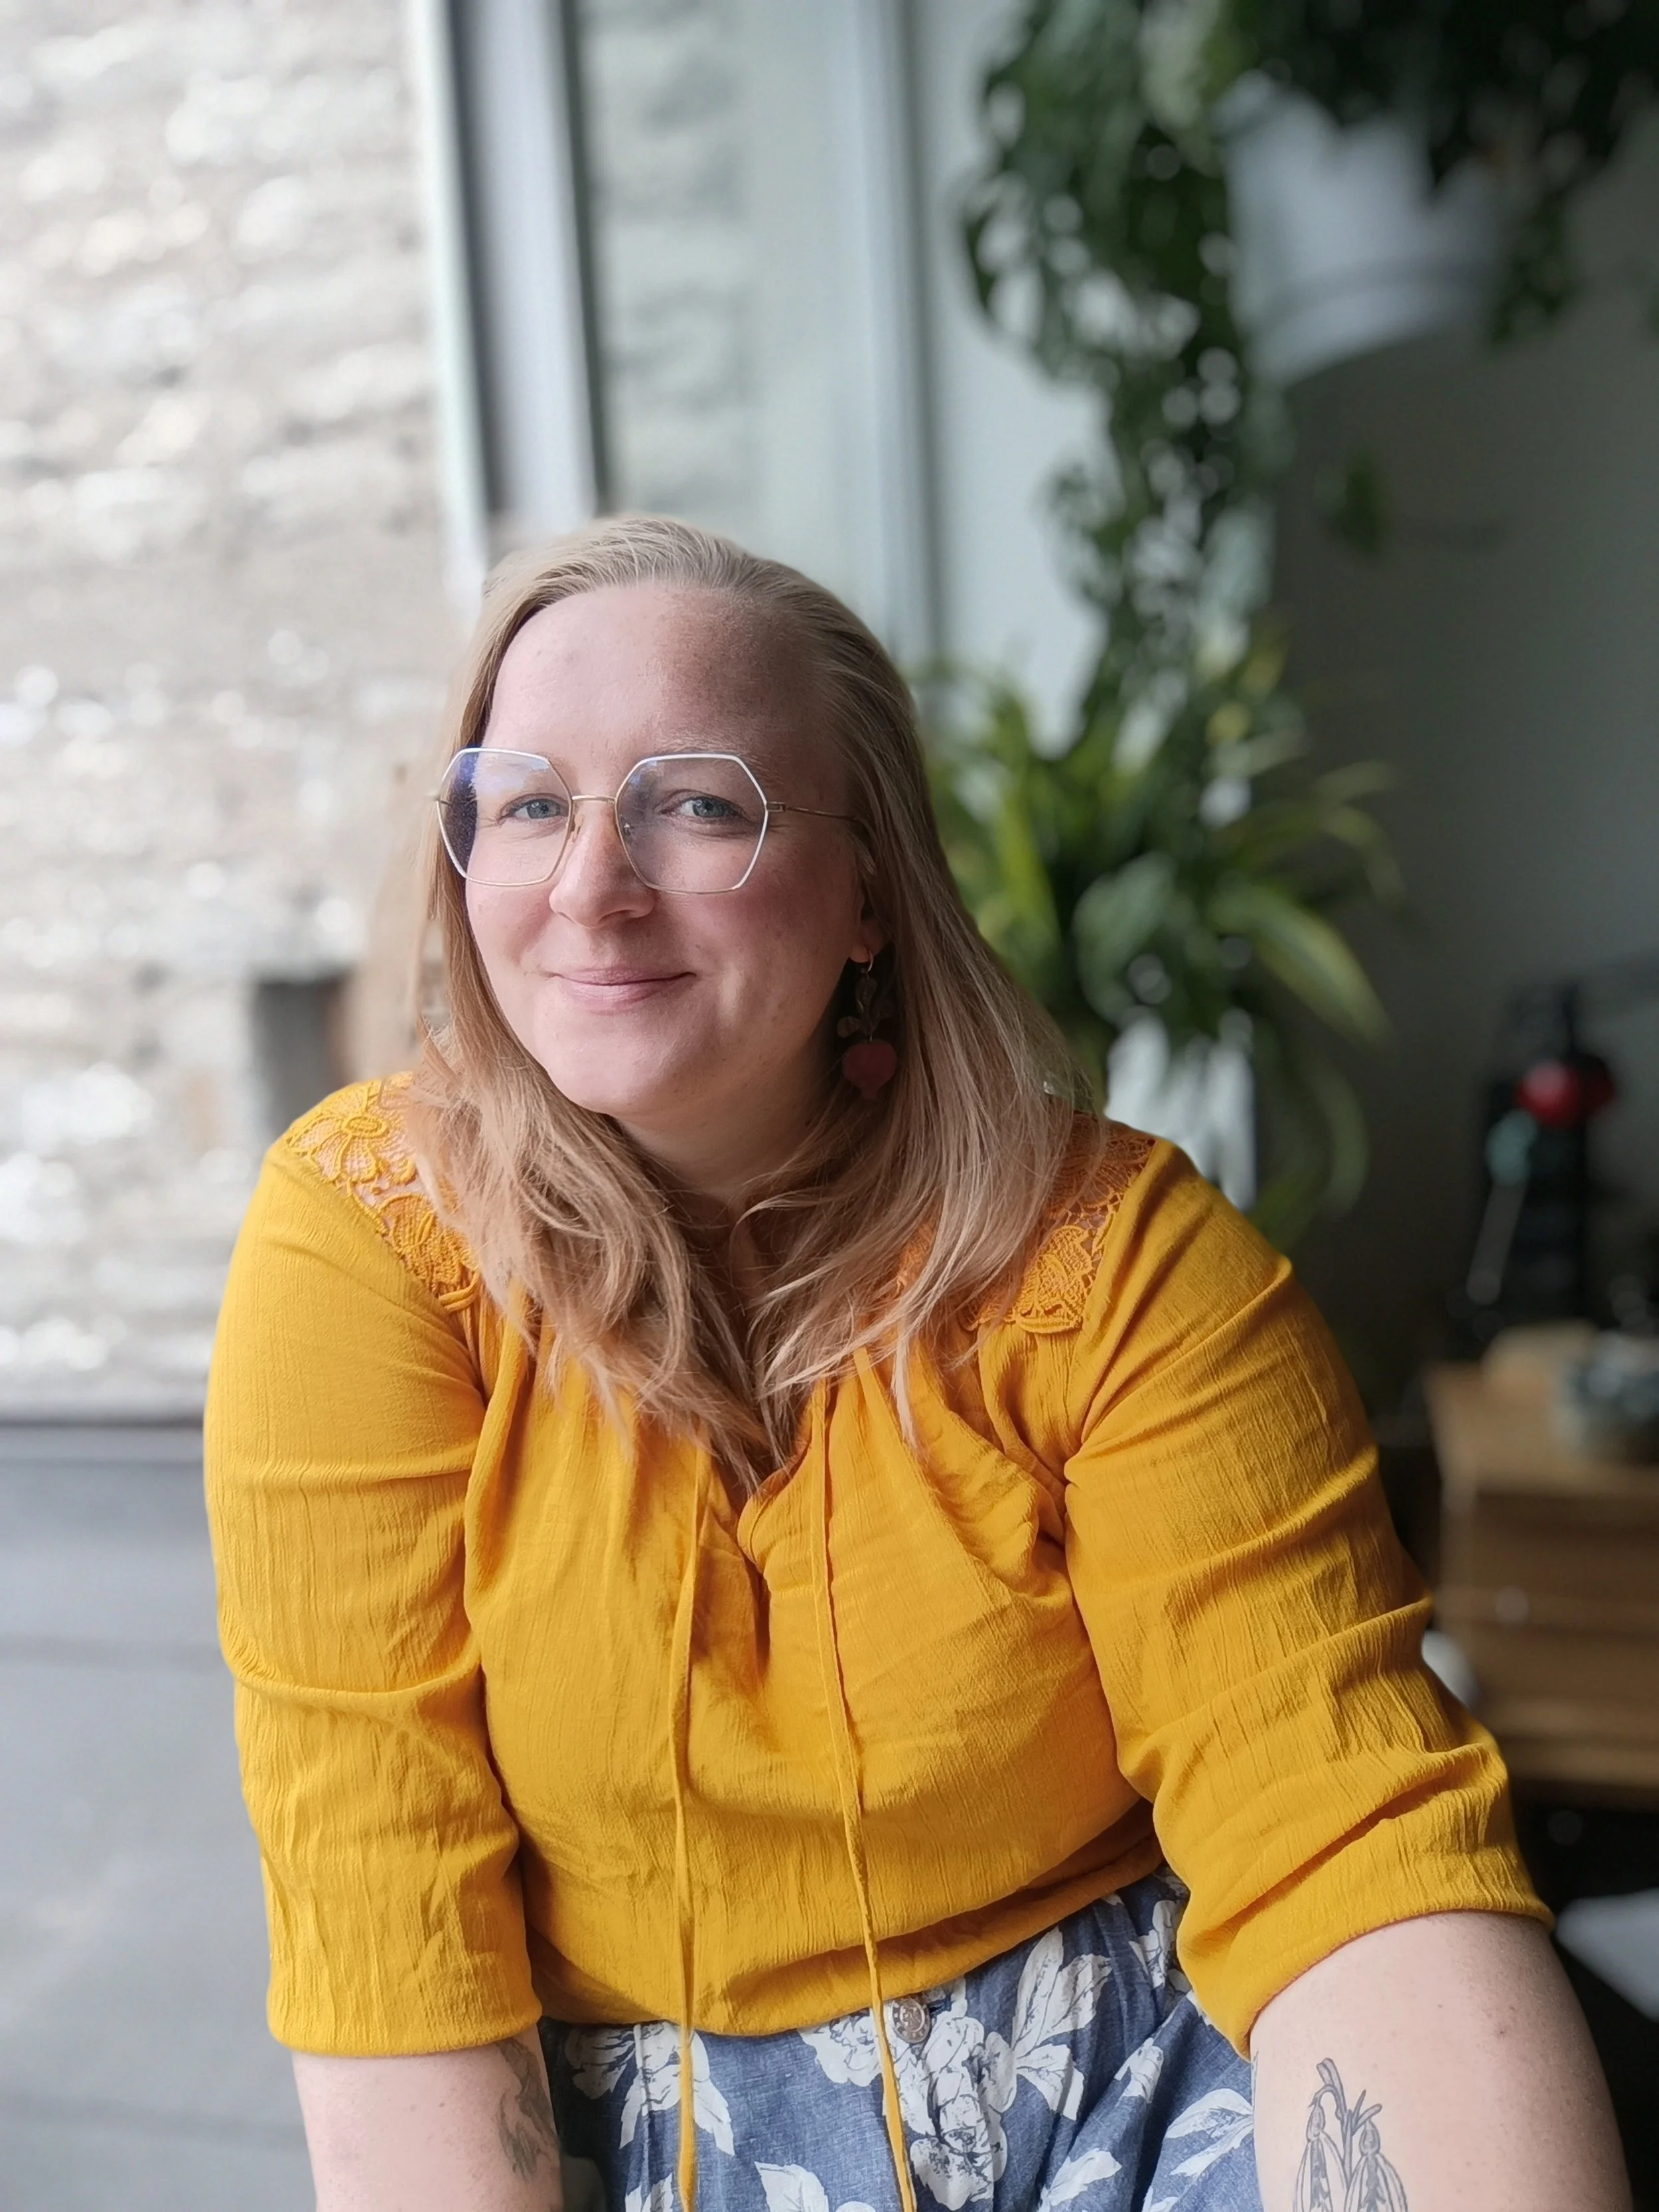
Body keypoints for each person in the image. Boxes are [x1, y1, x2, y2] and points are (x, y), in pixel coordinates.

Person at [204, 516, 1628, 2212]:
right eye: (525, 803)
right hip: (626, 2131)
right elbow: (386, 1921)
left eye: (696, 799)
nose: (589, 883)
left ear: (870, 880)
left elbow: (1344, 1836)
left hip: (1122, 2083)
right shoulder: (365, 1240)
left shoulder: (1115, 1263)